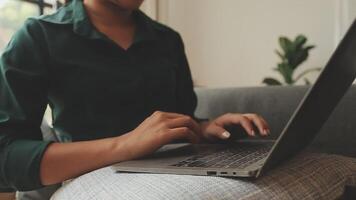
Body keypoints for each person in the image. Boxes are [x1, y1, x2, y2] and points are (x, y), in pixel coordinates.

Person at [0, 0, 270, 195]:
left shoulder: (168, 40)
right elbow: (6, 158)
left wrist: (205, 128)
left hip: (175, 169)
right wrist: (125, 145)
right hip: (89, 176)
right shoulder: (39, 36)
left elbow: (181, 118)